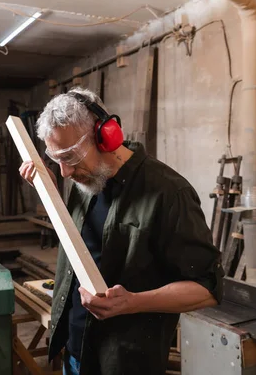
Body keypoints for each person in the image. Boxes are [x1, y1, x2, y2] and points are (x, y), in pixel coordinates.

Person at [19, 87, 224, 375]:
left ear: (105, 137)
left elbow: (207, 289)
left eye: (70, 157)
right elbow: (83, 246)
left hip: (124, 361)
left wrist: (133, 302)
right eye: (57, 160)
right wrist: (51, 195)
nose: (65, 172)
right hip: (75, 353)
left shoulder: (169, 193)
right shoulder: (84, 183)